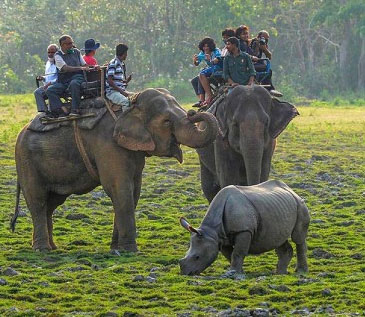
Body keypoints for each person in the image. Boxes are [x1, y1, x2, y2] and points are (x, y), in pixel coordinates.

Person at [46, 35, 91, 117]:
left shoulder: (76, 52)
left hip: (77, 77)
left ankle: (75, 109)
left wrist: (90, 67)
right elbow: (65, 68)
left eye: (72, 43)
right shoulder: (57, 55)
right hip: (64, 81)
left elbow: (84, 64)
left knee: (74, 84)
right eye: (69, 43)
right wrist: (81, 68)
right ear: (63, 45)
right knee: (50, 90)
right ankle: (62, 108)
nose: (71, 45)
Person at [250, 30, 282, 97]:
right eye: (263, 38)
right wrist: (258, 46)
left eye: (267, 39)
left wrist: (264, 48)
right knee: (267, 69)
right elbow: (254, 54)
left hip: (256, 62)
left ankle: (269, 87)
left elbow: (269, 56)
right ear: (259, 37)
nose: (265, 40)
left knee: (268, 69)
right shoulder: (255, 42)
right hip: (250, 62)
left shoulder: (263, 44)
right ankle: (269, 89)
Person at [192, 37, 223, 106]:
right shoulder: (202, 53)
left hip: (218, 67)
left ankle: (210, 95)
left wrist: (210, 59)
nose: (206, 48)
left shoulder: (216, 51)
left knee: (202, 74)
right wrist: (195, 61)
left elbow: (217, 60)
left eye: (207, 46)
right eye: (204, 46)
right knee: (194, 80)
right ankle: (201, 100)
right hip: (210, 68)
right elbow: (197, 63)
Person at [105, 43, 132, 111]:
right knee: (126, 102)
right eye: (126, 53)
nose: (127, 55)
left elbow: (117, 81)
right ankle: (126, 121)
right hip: (112, 92)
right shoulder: (113, 63)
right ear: (123, 53)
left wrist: (126, 81)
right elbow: (110, 81)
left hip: (120, 91)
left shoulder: (121, 64)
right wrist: (122, 92)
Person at [34, 44, 58, 113]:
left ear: (57, 52)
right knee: (37, 92)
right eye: (49, 52)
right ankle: (44, 111)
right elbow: (48, 77)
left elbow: (60, 78)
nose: (50, 54)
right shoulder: (48, 63)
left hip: (56, 85)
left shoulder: (59, 62)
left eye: (52, 52)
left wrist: (50, 84)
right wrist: (43, 78)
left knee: (49, 90)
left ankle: (52, 110)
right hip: (48, 85)